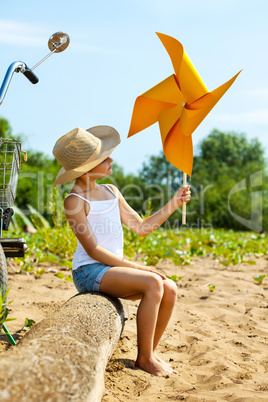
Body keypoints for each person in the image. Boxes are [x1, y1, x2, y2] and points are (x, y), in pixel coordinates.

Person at [53, 125, 191, 376]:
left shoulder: (110, 191)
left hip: (112, 268)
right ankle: (145, 359)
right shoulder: (74, 201)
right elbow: (93, 250)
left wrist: (175, 202)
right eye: (104, 158)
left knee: (170, 287)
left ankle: (151, 352)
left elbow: (141, 227)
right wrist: (137, 267)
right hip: (89, 271)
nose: (111, 159)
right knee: (152, 282)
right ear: (85, 169)